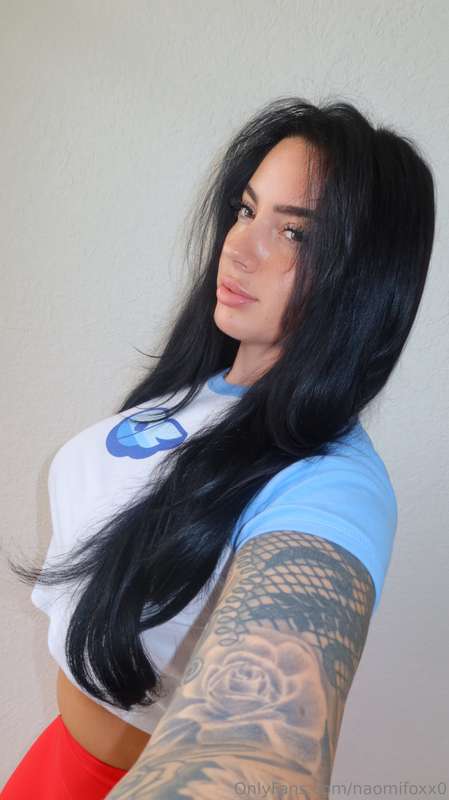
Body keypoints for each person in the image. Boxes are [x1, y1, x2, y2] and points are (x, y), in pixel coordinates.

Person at [3, 96, 435, 799]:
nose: (238, 247)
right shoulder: (199, 386)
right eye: (245, 210)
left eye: (294, 233)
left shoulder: (333, 484)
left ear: (362, 279)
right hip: (53, 759)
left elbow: (255, 751)